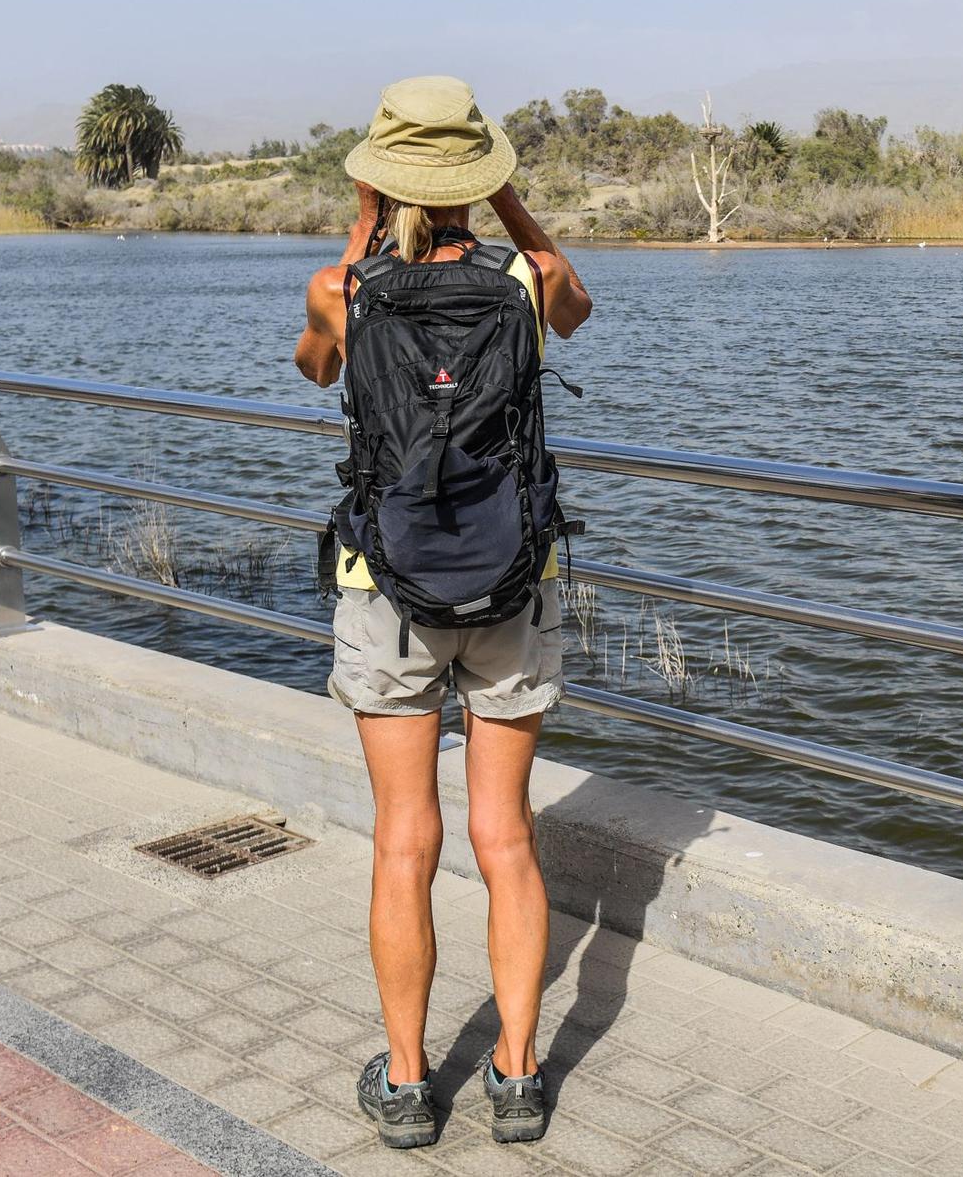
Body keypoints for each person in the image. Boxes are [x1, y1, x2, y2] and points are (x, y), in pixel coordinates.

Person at [293, 76, 591, 1148]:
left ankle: (411, 1083)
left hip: (388, 586)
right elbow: (575, 299)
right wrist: (511, 206)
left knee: (402, 843)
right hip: (512, 576)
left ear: (379, 176)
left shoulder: (342, 286)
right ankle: (517, 1079)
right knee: (504, 837)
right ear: (482, 176)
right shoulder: (530, 279)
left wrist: (361, 230)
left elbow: (317, 365)